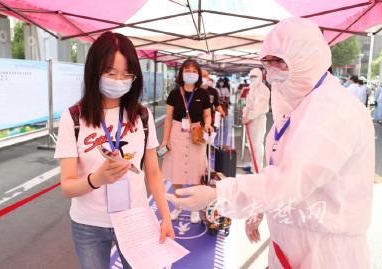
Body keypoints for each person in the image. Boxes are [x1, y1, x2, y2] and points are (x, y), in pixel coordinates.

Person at [166, 17, 374, 269]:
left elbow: (291, 180)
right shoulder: (297, 105)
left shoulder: (334, 111)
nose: (270, 70)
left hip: (324, 255)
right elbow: (277, 172)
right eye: (267, 63)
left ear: (307, 59)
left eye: (279, 62)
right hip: (288, 245)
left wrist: (217, 194)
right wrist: (261, 208)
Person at [54, 32, 174, 269]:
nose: (118, 80)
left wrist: (166, 216)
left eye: (126, 74)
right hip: (88, 225)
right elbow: (67, 187)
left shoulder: (141, 115)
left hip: (135, 218)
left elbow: (153, 173)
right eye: (110, 73)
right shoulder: (74, 118)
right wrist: (97, 179)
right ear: (94, 71)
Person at [160, 59, 213, 223]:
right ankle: (178, 206)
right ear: (182, 73)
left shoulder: (203, 94)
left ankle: (195, 208)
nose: (190, 72)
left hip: (196, 134)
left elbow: (207, 115)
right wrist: (165, 140)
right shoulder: (174, 94)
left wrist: (209, 125)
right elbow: (168, 119)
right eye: (187, 69)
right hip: (176, 133)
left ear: (198, 74)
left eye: (194, 70)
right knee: (177, 172)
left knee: (196, 171)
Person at [241, 68, 270, 173]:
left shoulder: (264, 89)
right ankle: (253, 163)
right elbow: (248, 104)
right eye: (251, 77)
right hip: (251, 120)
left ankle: (257, 168)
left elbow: (259, 107)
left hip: (258, 119)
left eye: (255, 76)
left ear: (260, 76)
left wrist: (249, 117)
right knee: (251, 143)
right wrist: (245, 115)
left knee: (257, 144)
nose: (253, 79)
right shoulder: (251, 88)